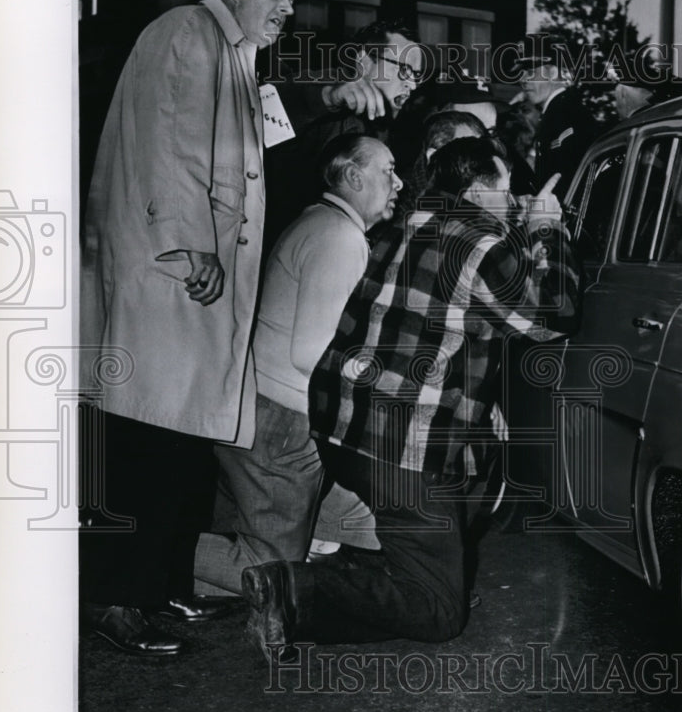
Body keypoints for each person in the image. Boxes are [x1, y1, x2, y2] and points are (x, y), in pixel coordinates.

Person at [240, 137, 582, 656]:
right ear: (478, 189)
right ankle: (295, 589)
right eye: (507, 188)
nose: (514, 200)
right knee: (441, 614)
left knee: (472, 469)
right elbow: (554, 317)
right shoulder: (481, 244)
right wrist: (546, 227)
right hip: (400, 448)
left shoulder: (398, 227)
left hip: (341, 429)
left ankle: (390, 573)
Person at [79, 0, 302, 656]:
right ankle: (113, 598)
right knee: (145, 437)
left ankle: (160, 583)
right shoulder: (186, 33)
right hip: (171, 272)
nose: (287, 8)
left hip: (194, 285)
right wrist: (190, 244)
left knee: (180, 441)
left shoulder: (235, 56)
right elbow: (167, 146)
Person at [193, 135, 402, 595]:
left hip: (255, 407)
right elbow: (312, 353)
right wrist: (383, 380)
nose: (399, 182)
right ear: (352, 176)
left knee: (360, 524)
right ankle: (146, 557)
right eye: (388, 171)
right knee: (269, 572)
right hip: (282, 422)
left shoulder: (319, 221)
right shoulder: (340, 238)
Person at [262, 20, 423, 252]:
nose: (413, 85)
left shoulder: (392, 126)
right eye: (404, 70)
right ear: (363, 61)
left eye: (417, 75)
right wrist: (327, 98)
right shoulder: (319, 86)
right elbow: (254, 120)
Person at [513, 34, 596, 201]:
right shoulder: (559, 112)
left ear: (552, 72)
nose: (522, 79)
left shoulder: (565, 116)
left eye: (530, 71)